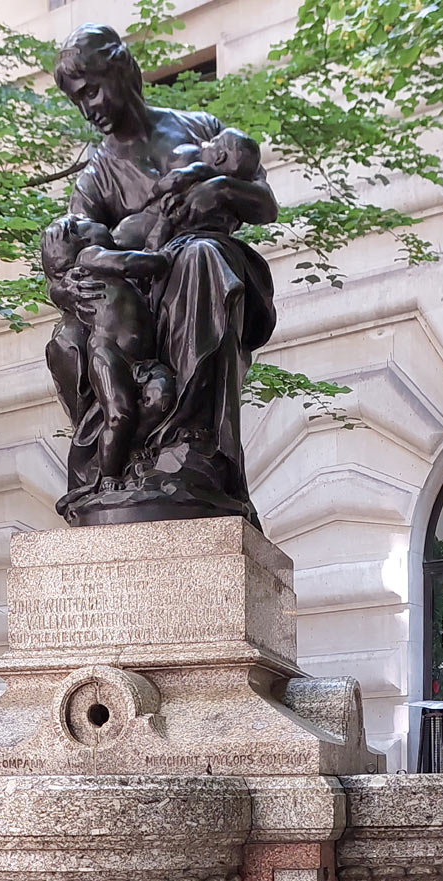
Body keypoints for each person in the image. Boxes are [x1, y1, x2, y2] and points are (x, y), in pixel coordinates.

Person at [50, 24, 277, 526]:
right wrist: (70, 290)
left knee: (197, 256)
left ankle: (193, 444)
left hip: (213, 269)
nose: (89, 109)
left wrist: (218, 192)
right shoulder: (95, 177)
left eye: (91, 90)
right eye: (78, 101)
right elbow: (67, 258)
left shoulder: (202, 130)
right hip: (137, 295)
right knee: (66, 341)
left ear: (123, 69)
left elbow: (266, 206)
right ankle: (127, 452)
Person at [41, 214, 173, 490]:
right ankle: (110, 475)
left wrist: (164, 224)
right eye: (85, 221)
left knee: (158, 399)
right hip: (108, 353)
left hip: (142, 360)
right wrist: (162, 260)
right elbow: (134, 262)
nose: (96, 220)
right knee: (118, 412)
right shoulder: (90, 256)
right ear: (83, 238)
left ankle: (133, 448)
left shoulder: (93, 257)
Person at [110, 128, 263, 252]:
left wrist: (155, 191)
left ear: (220, 156)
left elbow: (172, 179)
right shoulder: (227, 203)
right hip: (150, 233)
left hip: (145, 230)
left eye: (213, 142)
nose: (203, 144)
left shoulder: (200, 169)